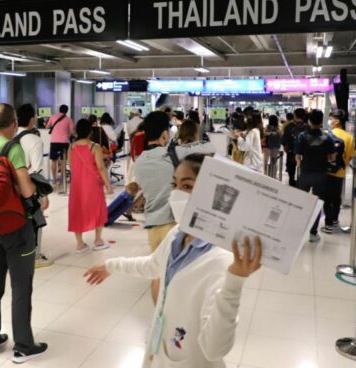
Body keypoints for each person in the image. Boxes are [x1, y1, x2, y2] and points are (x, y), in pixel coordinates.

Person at [84, 153, 263, 368]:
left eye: (187, 186)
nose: (177, 193)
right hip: (161, 350)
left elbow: (214, 348)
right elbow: (152, 265)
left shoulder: (221, 259)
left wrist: (234, 283)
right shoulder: (178, 234)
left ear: (213, 191)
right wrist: (111, 265)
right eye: (174, 184)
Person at [0, 103, 47, 364]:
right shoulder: (13, 148)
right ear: (13, 123)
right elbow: (26, 190)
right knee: (21, 285)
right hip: (18, 227)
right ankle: (24, 346)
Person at [135, 111, 215, 303]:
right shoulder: (173, 154)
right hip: (173, 224)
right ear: (164, 134)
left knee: (158, 274)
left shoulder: (139, 161)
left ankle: (159, 314)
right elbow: (211, 146)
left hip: (152, 225)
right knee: (180, 275)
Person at [68, 119, 114, 253]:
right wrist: (108, 185)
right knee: (98, 209)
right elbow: (101, 167)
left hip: (77, 184)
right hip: (92, 183)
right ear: (90, 131)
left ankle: (80, 244)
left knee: (77, 210)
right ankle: (98, 240)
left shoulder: (71, 147)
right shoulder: (95, 147)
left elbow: (71, 166)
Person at [16, 103, 52, 268]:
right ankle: (35, 255)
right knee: (35, 221)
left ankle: (18, 252)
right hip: (29, 188)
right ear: (32, 119)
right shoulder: (34, 140)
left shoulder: (10, 137)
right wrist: (43, 196)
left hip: (12, 187)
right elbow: (37, 170)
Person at [295, 109, 336, 243]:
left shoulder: (302, 136)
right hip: (321, 174)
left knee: (300, 203)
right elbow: (331, 157)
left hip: (305, 173)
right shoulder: (328, 137)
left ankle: (297, 232)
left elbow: (298, 156)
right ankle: (313, 233)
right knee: (317, 204)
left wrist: (301, 164)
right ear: (322, 120)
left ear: (309, 120)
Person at [321, 109, 356, 234]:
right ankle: (335, 220)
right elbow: (351, 156)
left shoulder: (327, 135)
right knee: (336, 198)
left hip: (327, 172)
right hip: (340, 172)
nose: (330, 121)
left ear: (336, 121)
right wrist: (344, 164)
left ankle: (329, 225)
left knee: (326, 198)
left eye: (331, 119)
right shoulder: (349, 137)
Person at [46, 105, 75, 185]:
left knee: (54, 161)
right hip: (64, 142)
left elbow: (47, 126)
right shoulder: (69, 119)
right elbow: (72, 132)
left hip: (54, 141)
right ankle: (62, 179)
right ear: (67, 111)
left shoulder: (52, 117)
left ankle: (54, 179)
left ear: (59, 110)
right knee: (63, 161)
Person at [282, 108, 309, 187]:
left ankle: (292, 183)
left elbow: (284, 141)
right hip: (305, 155)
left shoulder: (289, 127)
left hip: (292, 153)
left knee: (291, 172)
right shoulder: (308, 127)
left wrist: (286, 147)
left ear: (295, 115)